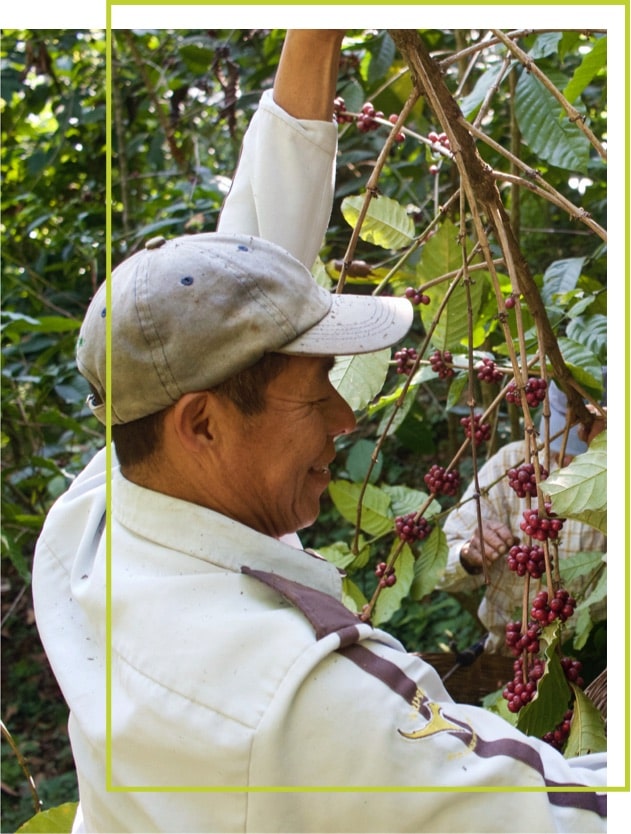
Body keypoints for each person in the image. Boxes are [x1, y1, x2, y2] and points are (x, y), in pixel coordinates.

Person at [32, 30, 607, 834]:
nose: (347, 418)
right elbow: (575, 819)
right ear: (201, 424)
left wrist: (316, 28)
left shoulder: (100, 513)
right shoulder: (295, 702)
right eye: (314, 398)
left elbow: (254, 251)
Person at [438, 379, 606, 654]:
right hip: (509, 657)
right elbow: (441, 574)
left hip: (593, 658)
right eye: (562, 444)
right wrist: (468, 556)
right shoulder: (512, 465)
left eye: (589, 451)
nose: (568, 459)